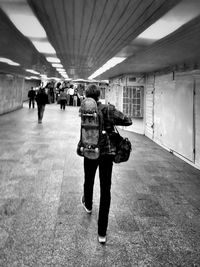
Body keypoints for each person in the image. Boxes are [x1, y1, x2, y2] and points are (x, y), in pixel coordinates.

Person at [80, 84, 132, 244]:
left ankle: (88, 205)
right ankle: (102, 233)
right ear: (99, 95)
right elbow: (127, 120)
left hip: (89, 151)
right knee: (105, 190)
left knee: (88, 180)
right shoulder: (107, 109)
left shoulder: (84, 110)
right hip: (106, 154)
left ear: (87, 96)